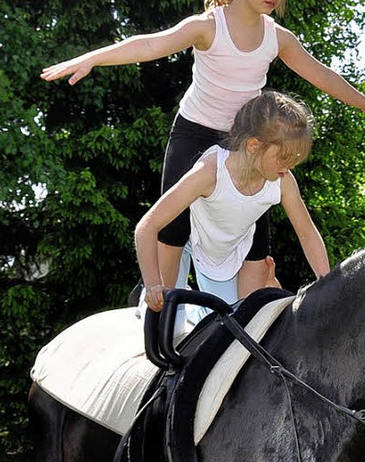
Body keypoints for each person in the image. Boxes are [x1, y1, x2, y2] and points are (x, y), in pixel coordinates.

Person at [41, 0, 365, 297]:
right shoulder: (209, 27)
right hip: (194, 132)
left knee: (257, 226)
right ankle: (163, 304)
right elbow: (150, 44)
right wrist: (93, 58)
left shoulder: (278, 38)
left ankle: (246, 315)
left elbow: (321, 73)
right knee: (174, 227)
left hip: (245, 140)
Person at [135, 90, 329, 316]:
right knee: (164, 324)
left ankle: (197, 313)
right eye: (283, 157)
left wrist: (327, 283)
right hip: (190, 243)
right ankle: (151, 304)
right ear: (254, 145)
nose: (288, 167)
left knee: (233, 327)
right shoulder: (211, 171)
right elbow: (146, 226)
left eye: (294, 160)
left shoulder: (282, 180)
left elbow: (307, 233)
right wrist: (152, 284)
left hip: (226, 256)